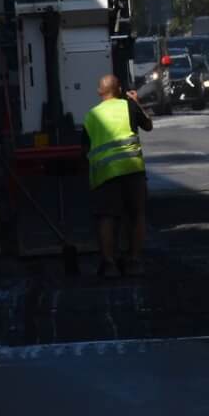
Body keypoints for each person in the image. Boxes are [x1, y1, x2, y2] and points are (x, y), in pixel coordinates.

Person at [84, 72, 152, 277]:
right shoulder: (128, 106)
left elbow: (84, 149)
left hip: (105, 174)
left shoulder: (91, 116)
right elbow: (148, 125)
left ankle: (109, 264)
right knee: (137, 214)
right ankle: (134, 261)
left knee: (107, 217)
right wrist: (136, 102)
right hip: (132, 169)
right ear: (120, 89)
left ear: (99, 92)